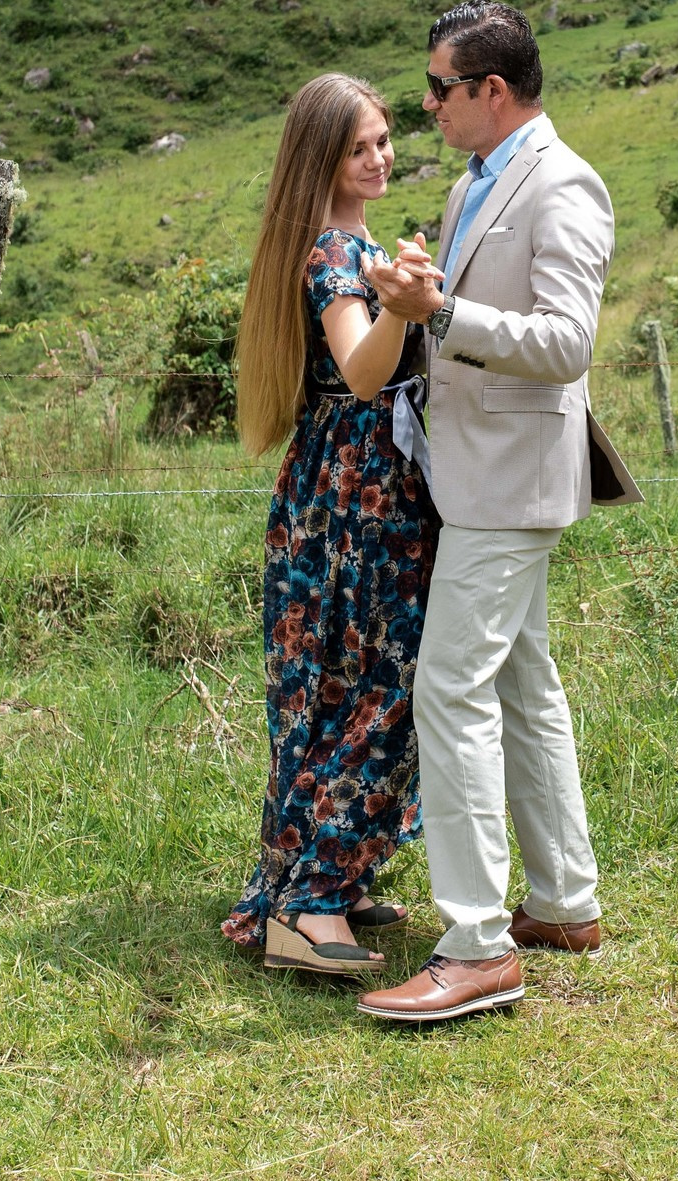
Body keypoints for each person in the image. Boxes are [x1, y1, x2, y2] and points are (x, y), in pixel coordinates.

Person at [355, 0, 641, 1024]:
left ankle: (477, 945)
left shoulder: (563, 182)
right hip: (477, 471)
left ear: (492, 89)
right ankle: (563, 903)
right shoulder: (474, 179)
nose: (426, 105)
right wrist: (418, 293)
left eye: (439, 87)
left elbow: (567, 342)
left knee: (449, 688)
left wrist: (440, 312)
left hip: (513, 480)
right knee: (522, 682)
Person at [224, 72, 436, 977]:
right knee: (379, 683)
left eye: (383, 139)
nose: (380, 158)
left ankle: (320, 881)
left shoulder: (350, 244)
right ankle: (310, 902)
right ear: (323, 158)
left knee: (338, 686)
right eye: (359, 148)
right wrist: (403, 308)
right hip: (358, 500)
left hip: (344, 487)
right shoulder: (333, 254)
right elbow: (360, 371)